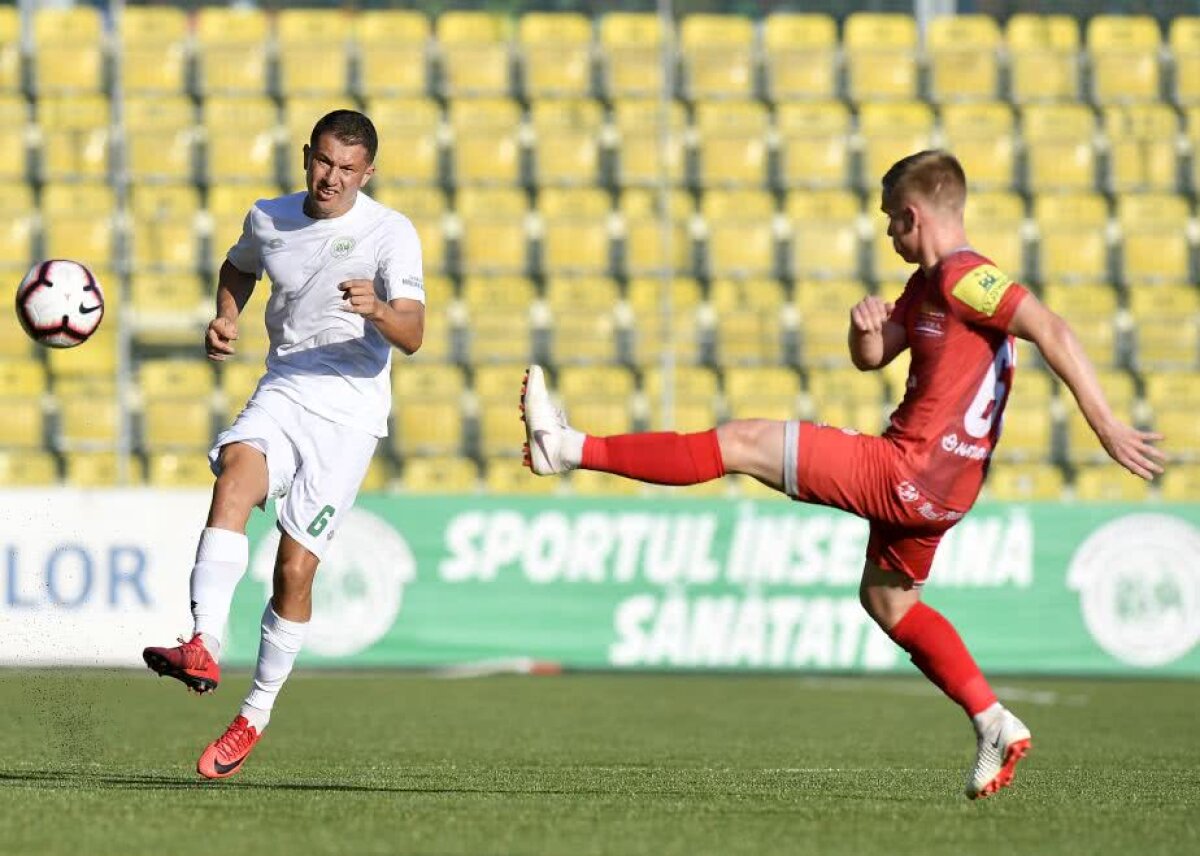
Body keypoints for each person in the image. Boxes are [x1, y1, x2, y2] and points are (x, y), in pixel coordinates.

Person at [520, 150, 1165, 799]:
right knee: (888, 601)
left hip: (906, 469)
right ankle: (992, 720)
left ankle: (565, 447)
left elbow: (1049, 326)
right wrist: (865, 334)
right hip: (945, 490)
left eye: (892, 221)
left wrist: (1105, 424)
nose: (888, 234)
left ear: (914, 215)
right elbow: (875, 357)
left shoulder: (966, 277)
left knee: (741, 442)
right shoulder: (926, 287)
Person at [142, 110, 425, 779]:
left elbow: (413, 333)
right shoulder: (270, 217)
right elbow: (238, 266)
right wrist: (226, 314)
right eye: (324, 162)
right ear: (307, 156)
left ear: (368, 172)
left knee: (293, 574)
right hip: (287, 385)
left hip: (350, 416)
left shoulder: (390, 233)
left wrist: (379, 310)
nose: (333, 178)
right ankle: (204, 643)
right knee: (235, 471)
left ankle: (253, 716)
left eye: (349, 169)